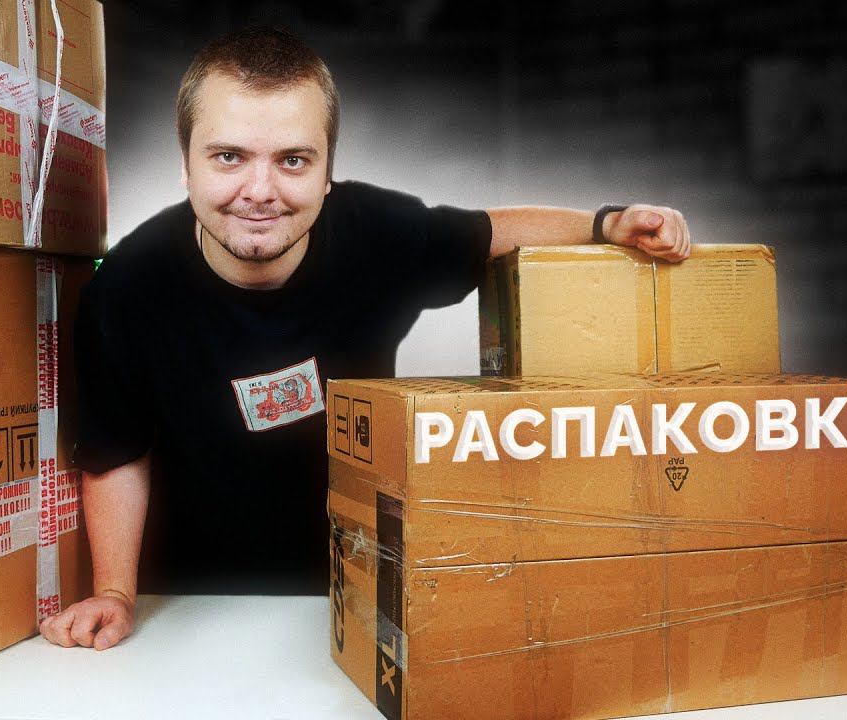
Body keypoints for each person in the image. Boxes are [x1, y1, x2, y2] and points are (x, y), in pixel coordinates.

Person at [39, 26, 691, 651]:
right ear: (185, 164)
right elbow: (117, 453)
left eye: (293, 160)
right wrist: (115, 593)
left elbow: (491, 232)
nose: (259, 192)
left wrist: (609, 224)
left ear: (327, 171)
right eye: (229, 157)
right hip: (185, 608)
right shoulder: (123, 289)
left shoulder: (376, 234)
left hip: (354, 594)